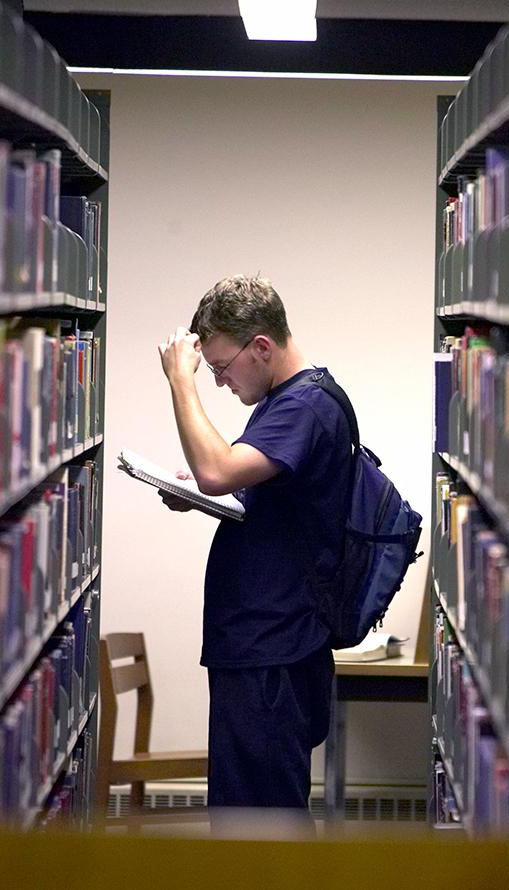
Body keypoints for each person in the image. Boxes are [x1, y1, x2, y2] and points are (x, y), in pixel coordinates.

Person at [157, 275, 352, 813]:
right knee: (252, 815)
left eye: (221, 367)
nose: (218, 381)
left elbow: (217, 470)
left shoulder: (305, 406)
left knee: (258, 825)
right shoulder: (283, 403)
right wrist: (197, 493)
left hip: (271, 647)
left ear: (261, 347)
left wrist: (182, 380)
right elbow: (247, 494)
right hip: (263, 644)